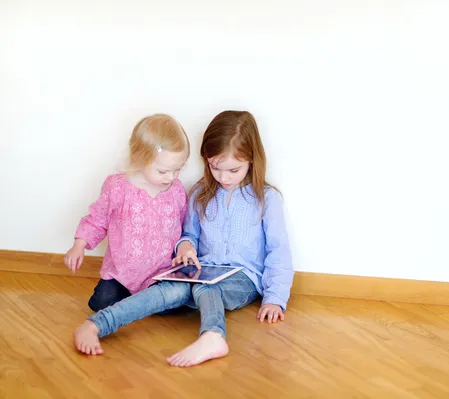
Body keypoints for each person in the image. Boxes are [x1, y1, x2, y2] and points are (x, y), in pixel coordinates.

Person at [73, 110, 294, 367]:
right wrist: (186, 247)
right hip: (202, 270)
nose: (223, 178)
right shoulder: (200, 193)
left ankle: (213, 335)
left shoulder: (267, 199)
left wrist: (275, 298)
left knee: (205, 287)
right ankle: (96, 324)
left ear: (253, 161)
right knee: (167, 289)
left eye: (233, 170)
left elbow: (278, 252)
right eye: (215, 167)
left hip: (242, 277)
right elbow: (187, 235)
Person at [64, 114, 190, 312]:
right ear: (139, 159)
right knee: (101, 303)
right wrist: (79, 245)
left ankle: (144, 302)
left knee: (180, 297)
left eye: (177, 170)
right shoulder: (117, 187)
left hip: (160, 273)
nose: (171, 177)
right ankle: (142, 303)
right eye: (163, 171)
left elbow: (185, 226)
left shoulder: (176, 190)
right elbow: (98, 219)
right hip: (121, 274)